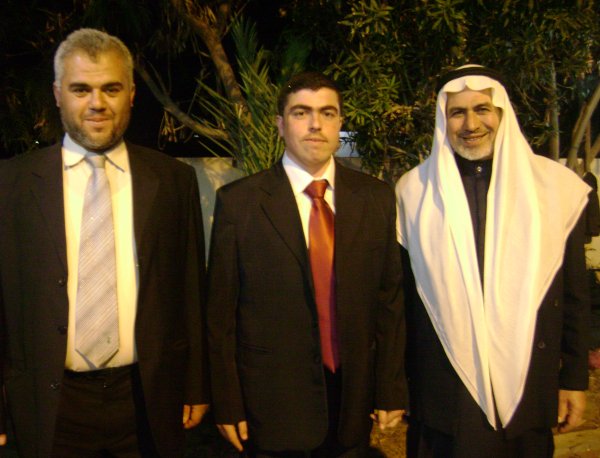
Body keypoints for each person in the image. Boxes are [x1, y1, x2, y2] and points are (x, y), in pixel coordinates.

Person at [0, 28, 208, 457]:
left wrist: (195, 384)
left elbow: (189, 288)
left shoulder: (173, 180)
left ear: (131, 93)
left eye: (111, 88)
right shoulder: (11, 184)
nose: (97, 103)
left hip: (146, 398)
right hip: (50, 402)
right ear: (58, 94)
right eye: (81, 89)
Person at [207, 71, 407, 457]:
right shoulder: (240, 203)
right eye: (301, 113)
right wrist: (227, 400)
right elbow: (221, 315)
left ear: (340, 122)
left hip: (352, 402)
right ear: (280, 125)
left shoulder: (376, 198)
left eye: (327, 113)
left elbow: (390, 302)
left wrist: (391, 388)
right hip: (273, 403)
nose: (316, 124)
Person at [396, 65, 590, 457]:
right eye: (457, 113)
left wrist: (573, 379)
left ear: (501, 113)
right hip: (445, 389)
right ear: (443, 120)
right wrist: (396, 388)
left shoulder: (554, 187)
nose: (471, 124)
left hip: (529, 381)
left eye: (482, 109)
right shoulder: (414, 191)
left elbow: (574, 295)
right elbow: (401, 303)